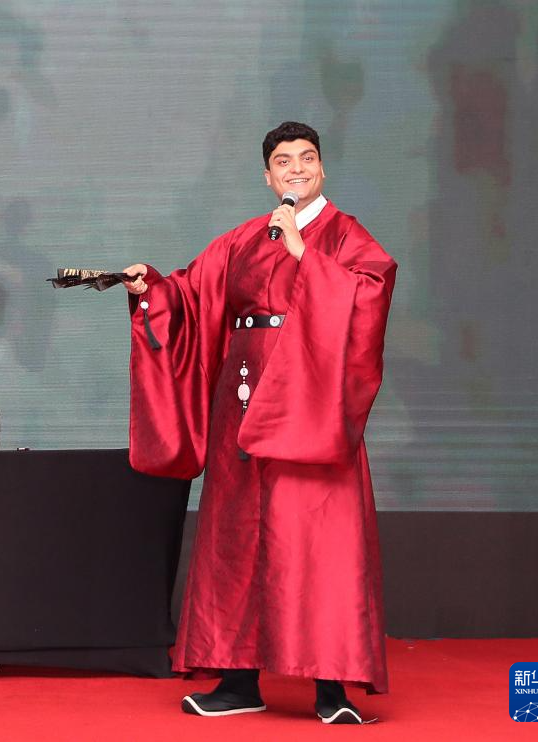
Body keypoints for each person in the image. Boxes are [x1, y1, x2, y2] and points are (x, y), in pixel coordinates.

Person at [123, 121, 395, 725]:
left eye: (307, 158)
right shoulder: (243, 239)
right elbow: (193, 296)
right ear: (267, 176)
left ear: (322, 168)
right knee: (237, 534)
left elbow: (368, 297)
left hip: (310, 405)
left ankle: (331, 688)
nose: (296, 169)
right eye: (283, 161)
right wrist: (153, 289)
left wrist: (304, 254)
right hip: (242, 404)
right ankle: (238, 680)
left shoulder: (346, 235)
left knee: (316, 535)